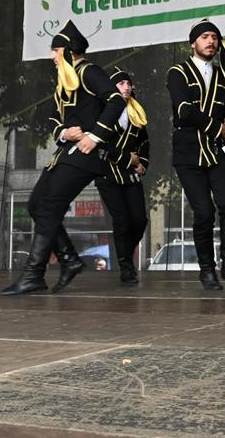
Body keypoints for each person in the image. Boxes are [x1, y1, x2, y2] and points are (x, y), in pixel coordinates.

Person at [0, 19, 124, 296]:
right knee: (35, 205)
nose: (51, 56)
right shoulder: (64, 80)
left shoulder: (89, 71)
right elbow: (56, 119)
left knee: (50, 206)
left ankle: (34, 274)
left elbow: (115, 100)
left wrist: (94, 136)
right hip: (66, 152)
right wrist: (64, 133)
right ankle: (68, 260)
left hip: (85, 154)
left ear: (67, 50)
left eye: (55, 50)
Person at [166, 20, 225, 290]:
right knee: (203, 212)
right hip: (189, 153)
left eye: (214, 37)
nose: (210, 41)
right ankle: (207, 269)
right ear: (193, 43)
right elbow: (185, 111)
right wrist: (222, 130)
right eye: (204, 37)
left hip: (218, 152)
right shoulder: (178, 72)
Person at [95, 66, 150, 285]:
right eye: (121, 84)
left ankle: (124, 254)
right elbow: (101, 144)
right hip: (107, 173)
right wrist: (130, 159)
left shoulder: (137, 112)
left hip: (130, 175)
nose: (126, 87)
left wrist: (142, 164)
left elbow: (144, 143)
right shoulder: (103, 111)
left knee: (139, 219)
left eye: (128, 83)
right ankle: (126, 267)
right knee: (121, 220)